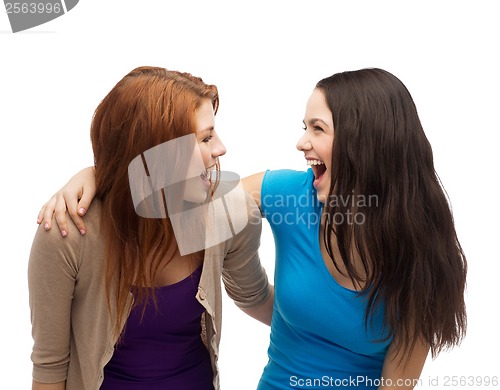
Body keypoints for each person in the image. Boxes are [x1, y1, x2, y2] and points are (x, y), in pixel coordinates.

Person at [38, 68, 467, 389]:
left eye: (318, 129)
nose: (301, 143)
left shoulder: (424, 257)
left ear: (367, 144)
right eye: (305, 127)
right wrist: (95, 175)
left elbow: (397, 382)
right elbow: (162, 184)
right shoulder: (287, 195)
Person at [29, 66, 273, 390]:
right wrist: (96, 173)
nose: (221, 148)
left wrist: (344, 325)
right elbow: (49, 368)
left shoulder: (224, 213)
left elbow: (255, 296)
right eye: (205, 137)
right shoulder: (67, 231)